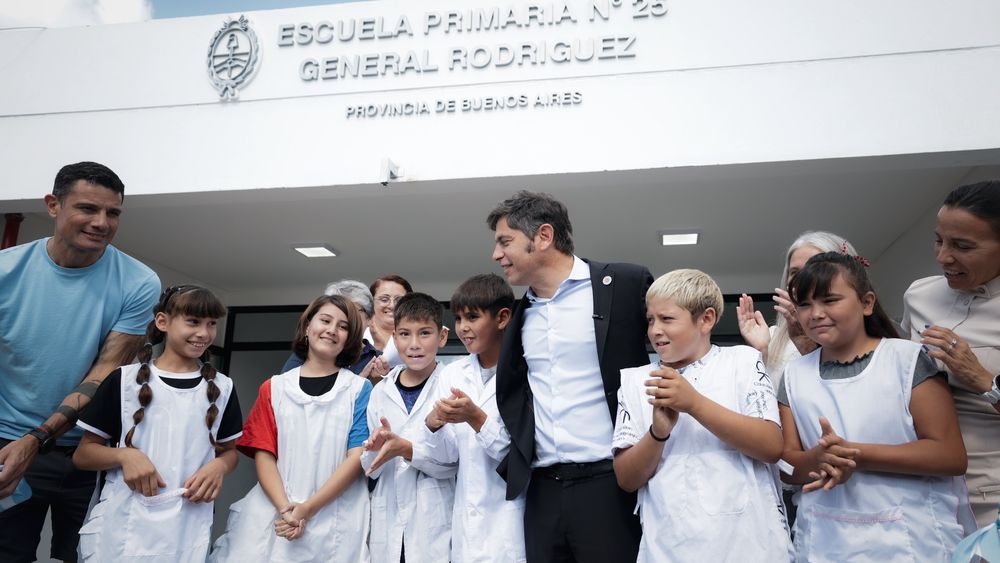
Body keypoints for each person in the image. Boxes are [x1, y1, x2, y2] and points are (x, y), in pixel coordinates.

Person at [0, 161, 160, 562]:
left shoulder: (139, 282)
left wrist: (37, 438)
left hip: (90, 451)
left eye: (113, 213)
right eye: (88, 208)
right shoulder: (5, 271)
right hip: (7, 443)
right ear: (53, 205)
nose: (101, 222)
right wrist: (20, 444)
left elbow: (105, 372)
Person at [487, 190, 650, 562]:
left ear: (543, 236)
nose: (496, 255)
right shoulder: (519, 315)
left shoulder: (624, 285)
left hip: (612, 486)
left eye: (505, 242)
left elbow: (676, 349)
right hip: (542, 491)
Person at [779, 252, 974, 560]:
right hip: (826, 542)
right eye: (804, 304)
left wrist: (853, 455)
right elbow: (786, 467)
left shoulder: (907, 360)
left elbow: (949, 455)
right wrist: (816, 460)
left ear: (867, 302)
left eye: (829, 300)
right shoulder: (794, 375)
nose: (815, 313)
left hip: (912, 540)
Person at [613, 269, 792, 562]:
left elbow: (771, 446)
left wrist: (694, 403)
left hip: (749, 544)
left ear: (706, 319)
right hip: (667, 547)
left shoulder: (743, 362)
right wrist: (657, 433)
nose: (655, 330)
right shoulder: (635, 381)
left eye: (667, 319)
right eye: (650, 320)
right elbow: (626, 479)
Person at [72, 285, 242, 562]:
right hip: (122, 528)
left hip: (187, 528)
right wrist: (124, 455)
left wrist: (219, 466)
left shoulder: (223, 388)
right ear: (162, 321)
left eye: (212, 324)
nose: (204, 333)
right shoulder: (123, 380)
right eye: (193, 321)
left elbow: (230, 451)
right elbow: (83, 455)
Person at [211, 294, 372, 562]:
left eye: (343, 327)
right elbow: (264, 455)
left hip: (334, 516)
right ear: (308, 326)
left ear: (350, 339)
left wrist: (308, 508)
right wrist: (286, 509)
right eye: (325, 320)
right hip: (273, 511)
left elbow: (357, 457)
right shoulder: (273, 388)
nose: (332, 330)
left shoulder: (359, 390)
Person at [901, 180, 1000, 528]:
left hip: (992, 500)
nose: (943, 256)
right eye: (939, 240)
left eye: (962, 246)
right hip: (923, 496)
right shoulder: (919, 295)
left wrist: (984, 381)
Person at [413, 273, 526, 562]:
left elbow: (520, 459)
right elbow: (447, 458)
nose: (462, 328)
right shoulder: (452, 374)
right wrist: (433, 424)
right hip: (466, 528)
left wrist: (476, 418)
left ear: (502, 318)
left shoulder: (527, 373)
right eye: (459, 319)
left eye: (472, 317)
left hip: (511, 525)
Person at [361, 292, 456, 563]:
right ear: (394, 338)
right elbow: (371, 469)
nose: (414, 344)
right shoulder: (381, 391)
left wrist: (406, 449)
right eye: (404, 334)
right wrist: (374, 449)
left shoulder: (451, 386)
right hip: (388, 520)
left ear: (442, 337)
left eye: (424, 333)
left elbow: (453, 462)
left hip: (434, 522)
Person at [737, 231, 859, 379]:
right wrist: (761, 353)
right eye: (794, 272)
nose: (802, 280)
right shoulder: (771, 336)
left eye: (813, 269)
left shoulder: (863, 340)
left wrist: (807, 346)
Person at [280, 279, 382, 380]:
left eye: (352, 311)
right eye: (326, 320)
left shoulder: (381, 361)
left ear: (370, 318)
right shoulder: (310, 356)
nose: (344, 316)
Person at [366, 274, 413, 376]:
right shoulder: (358, 336)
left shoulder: (420, 336)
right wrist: (378, 348)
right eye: (384, 299)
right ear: (371, 302)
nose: (392, 305)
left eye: (399, 300)